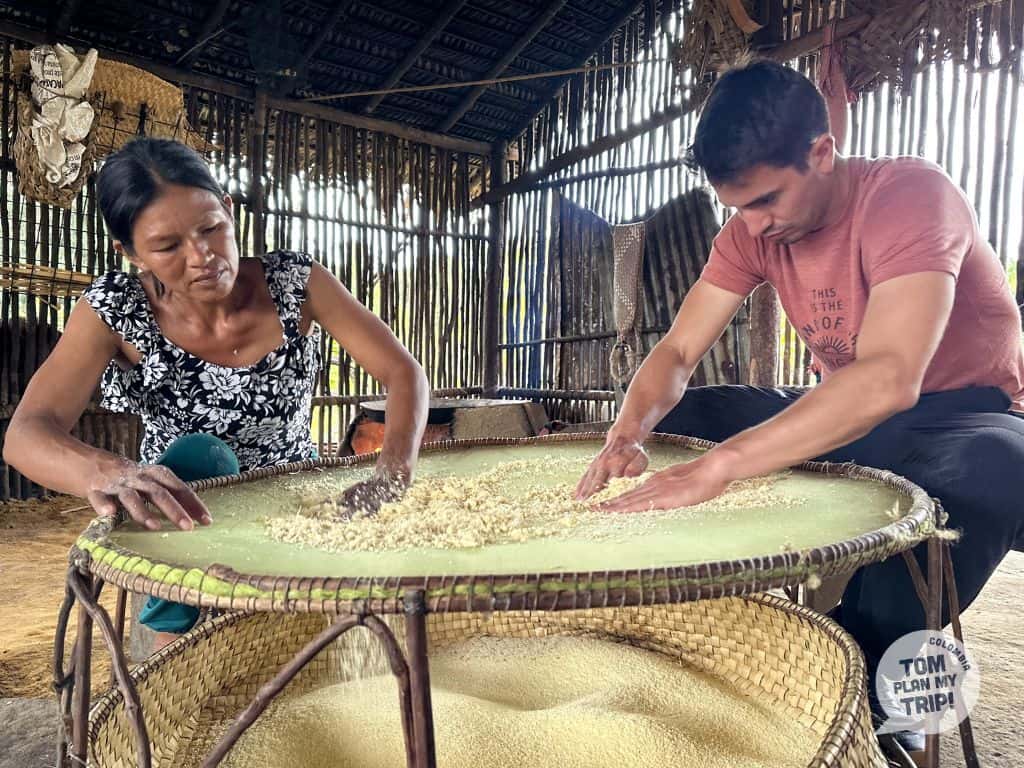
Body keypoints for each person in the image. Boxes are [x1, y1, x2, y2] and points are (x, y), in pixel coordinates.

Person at [576, 60, 1024, 754]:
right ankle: (699, 622)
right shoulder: (751, 231)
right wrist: (627, 432)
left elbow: (888, 378)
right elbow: (676, 350)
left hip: (956, 415)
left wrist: (723, 469)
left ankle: (882, 698)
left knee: (998, 466)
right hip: (845, 407)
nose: (754, 224)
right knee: (693, 416)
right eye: (739, 208)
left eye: (767, 201)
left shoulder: (909, 196)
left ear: (821, 153)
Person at [3, 137, 429, 647]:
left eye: (211, 228)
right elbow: (26, 434)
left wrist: (392, 474)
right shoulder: (116, 310)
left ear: (229, 210)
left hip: (293, 509)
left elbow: (403, 374)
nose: (202, 256)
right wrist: (112, 471)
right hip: (187, 527)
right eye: (168, 247)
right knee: (200, 455)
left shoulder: (296, 283)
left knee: (302, 669)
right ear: (132, 253)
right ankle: (172, 642)